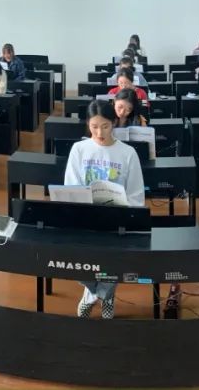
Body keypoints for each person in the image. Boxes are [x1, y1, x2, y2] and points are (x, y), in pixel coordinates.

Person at [64, 100, 145, 319]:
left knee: (115, 255)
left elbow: (136, 195)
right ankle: (96, 293)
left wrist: (123, 210)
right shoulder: (79, 149)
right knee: (71, 252)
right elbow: (71, 187)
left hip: (117, 219)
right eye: (94, 127)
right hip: (86, 217)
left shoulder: (128, 153)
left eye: (105, 126)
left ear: (114, 123)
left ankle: (102, 295)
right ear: (88, 125)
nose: (100, 133)